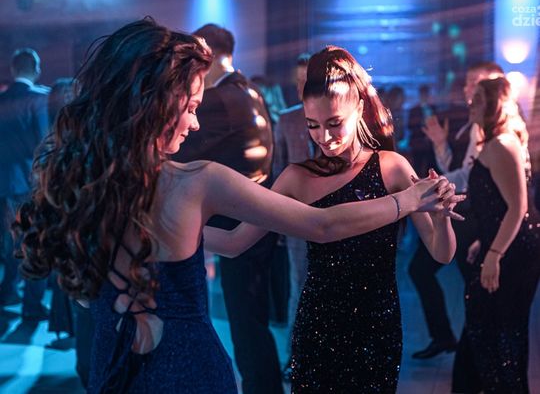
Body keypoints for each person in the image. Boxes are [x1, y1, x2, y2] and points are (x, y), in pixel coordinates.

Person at [12, 20, 462, 393]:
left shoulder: (89, 192)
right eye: (191, 106)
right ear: (156, 104)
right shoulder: (199, 180)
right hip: (197, 363)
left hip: (114, 360)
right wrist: (408, 200)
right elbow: (317, 227)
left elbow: (86, 293)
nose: (195, 122)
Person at [203, 46, 463, 392]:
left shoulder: (392, 168)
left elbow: (442, 254)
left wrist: (442, 216)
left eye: (334, 123)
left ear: (359, 108)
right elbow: (235, 242)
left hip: (377, 328)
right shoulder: (297, 178)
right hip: (318, 328)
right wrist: (172, 226)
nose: (324, 137)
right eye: (313, 125)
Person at [172, 23, 282, 394]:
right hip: (254, 213)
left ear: (208, 52)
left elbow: (178, 151)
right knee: (250, 320)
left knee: (245, 324)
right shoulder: (249, 89)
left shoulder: (220, 98)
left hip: (239, 222)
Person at [409, 62, 505, 361]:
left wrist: (431, 185)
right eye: (466, 82)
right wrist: (440, 145)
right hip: (468, 212)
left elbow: (471, 178)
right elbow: (462, 171)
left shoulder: (493, 127)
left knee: (474, 287)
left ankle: (469, 349)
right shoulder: (472, 122)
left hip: (474, 217)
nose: (467, 89)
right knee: (464, 284)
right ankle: (457, 343)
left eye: (474, 82)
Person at [459, 77, 540, 393]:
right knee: (492, 333)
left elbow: (519, 207)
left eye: (479, 98)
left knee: (504, 337)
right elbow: (501, 204)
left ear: (495, 105)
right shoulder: (496, 144)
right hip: (508, 245)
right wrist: (486, 240)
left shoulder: (502, 145)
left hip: (514, 253)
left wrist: (494, 254)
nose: (471, 103)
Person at [272, 52, 315, 381]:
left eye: (307, 81)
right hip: (296, 217)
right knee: (299, 285)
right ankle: (296, 356)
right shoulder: (287, 120)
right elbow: (277, 171)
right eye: (298, 82)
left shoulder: (339, 119)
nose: (301, 88)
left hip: (335, 214)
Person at [0, 48, 50, 320]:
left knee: (9, 241)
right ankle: (32, 305)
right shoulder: (38, 99)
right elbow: (43, 143)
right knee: (34, 242)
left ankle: (7, 292)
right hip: (28, 184)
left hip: (3, 184)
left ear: (12, 69)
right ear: (37, 69)